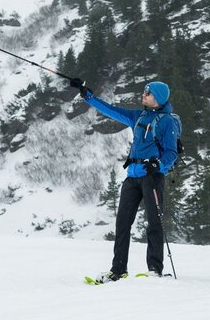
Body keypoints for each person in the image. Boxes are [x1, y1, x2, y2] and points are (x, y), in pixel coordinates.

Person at [69, 77, 178, 282]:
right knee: (122, 224)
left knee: (154, 223)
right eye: (144, 92)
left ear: (159, 99)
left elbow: (172, 152)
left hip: (152, 177)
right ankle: (118, 269)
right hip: (132, 177)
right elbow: (111, 110)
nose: (143, 95)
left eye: (148, 93)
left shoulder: (167, 121)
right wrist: (87, 95)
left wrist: (159, 165)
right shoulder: (137, 116)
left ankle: (155, 269)